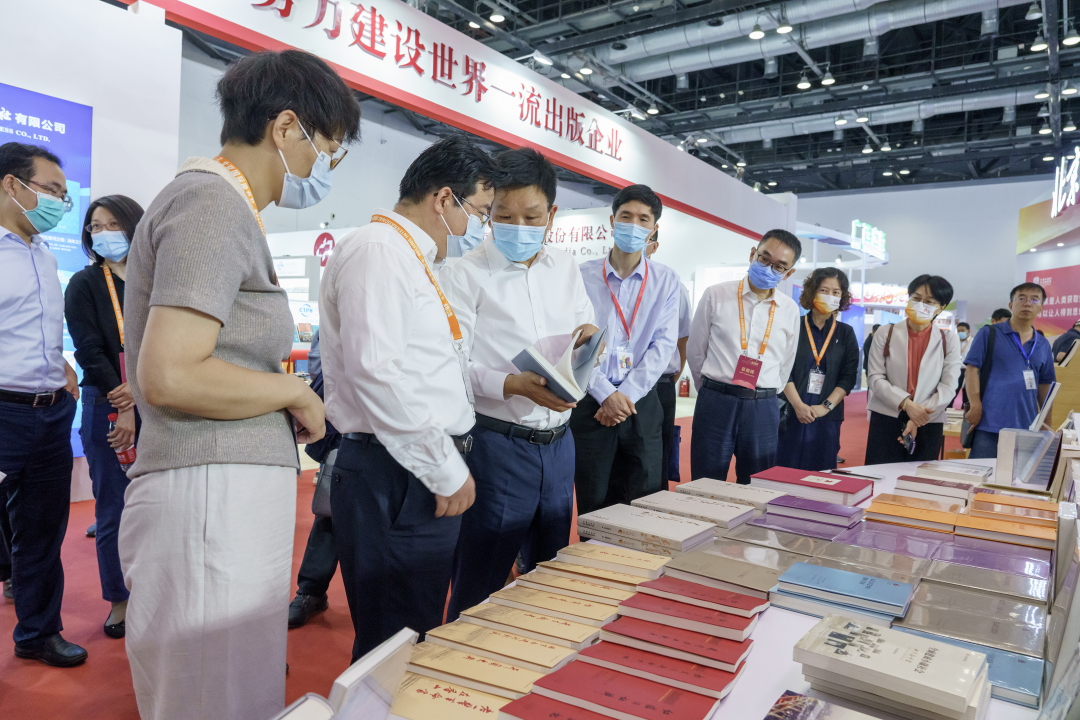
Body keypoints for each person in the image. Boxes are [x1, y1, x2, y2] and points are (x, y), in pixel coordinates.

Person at [120, 50, 357, 720]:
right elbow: (172, 373)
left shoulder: (225, 206)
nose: (323, 167)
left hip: (220, 488)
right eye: (327, 149)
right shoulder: (211, 203)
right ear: (285, 127)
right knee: (211, 694)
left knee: (231, 686)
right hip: (207, 490)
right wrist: (294, 393)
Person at [320, 134, 497, 661]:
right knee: (393, 639)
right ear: (444, 199)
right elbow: (378, 373)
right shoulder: (380, 251)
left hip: (409, 465)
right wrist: (443, 467)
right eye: (479, 212)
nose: (479, 227)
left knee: (413, 627)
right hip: (396, 470)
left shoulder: (413, 257)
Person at [442, 148, 598, 620]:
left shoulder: (565, 267)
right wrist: (512, 385)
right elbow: (453, 365)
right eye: (503, 216)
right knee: (480, 581)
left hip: (560, 445)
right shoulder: (463, 273)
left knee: (549, 575)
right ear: (487, 213)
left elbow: (585, 327)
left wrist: (587, 346)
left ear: (552, 214)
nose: (517, 227)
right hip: (497, 446)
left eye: (531, 217)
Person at [0, 142, 83, 667]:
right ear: (12, 185)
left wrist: (63, 368)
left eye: (63, 195)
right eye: (50, 190)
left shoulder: (45, 255)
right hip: (3, 412)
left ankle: (37, 633)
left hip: (51, 413)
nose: (59, 203)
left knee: (43, 531)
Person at [570, 184, 680, 520]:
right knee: (593, 500)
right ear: (612, 221)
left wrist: (625, 395)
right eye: (626, 216)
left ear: (653, 229)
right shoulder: (581, 275)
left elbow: (664, 345)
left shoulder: (666, 280)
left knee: (646, 497)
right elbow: (575, 343)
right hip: (591, 402)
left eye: (643, 219)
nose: (633, 225)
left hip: (641, 402)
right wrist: (605, 394)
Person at [64, 194, 144, 640]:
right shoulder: (85, 283)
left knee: (159, 505)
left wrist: (142, 391)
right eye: (95, 226)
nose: (104, 233)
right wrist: (125, 404)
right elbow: (89, 351)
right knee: (114, 507)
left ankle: (156, 589)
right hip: (109, 405)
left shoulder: (155, 279)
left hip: (158, 400)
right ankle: (120, 599)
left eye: (114, 224)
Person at [687, 230, 802, 484]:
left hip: (763, 407)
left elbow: (786, 362)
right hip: (716, 401)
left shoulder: (789, 310)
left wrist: (765, 393)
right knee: (705, 483)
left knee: (756, 486)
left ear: (788, 273)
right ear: (753, 254)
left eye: (779, 266)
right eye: (764, 258)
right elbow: (695, 350)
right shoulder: (716, 295)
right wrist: (711, 390)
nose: (769, 268)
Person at [865, 275, 962, 464]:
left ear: (940, 308)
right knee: (879, 471)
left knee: (920, 476)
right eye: (916, 298)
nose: (920, 305)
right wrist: (907, 405)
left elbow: (948, 386)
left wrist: (918, 417)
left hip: (929, 418)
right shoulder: (886, 332)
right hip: (888, 414)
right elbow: (875, 377)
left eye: (929, 302)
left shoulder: (948, 339)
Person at [777, 268, 860, 471]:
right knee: (783, 472)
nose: (830, 296)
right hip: (790, 412)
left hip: (827, 417)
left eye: (836, 292)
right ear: (812, 291)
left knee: (821, 476)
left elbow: (848, 377)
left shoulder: (846, 333)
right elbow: (781, 368)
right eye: (824, 290)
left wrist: (825, 407)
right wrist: (798, 405)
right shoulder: (794, 326)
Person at [964, 283, 1056, 459]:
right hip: (989, 424)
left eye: (1034, 300)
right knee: (982, 473)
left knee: (1020, 476)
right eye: (1021, 298)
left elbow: (1045, 386)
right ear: (1011, 305)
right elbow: (971, 370)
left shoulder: (1043, 344)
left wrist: (1045, 425)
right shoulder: (989, 333)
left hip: (1027, 427)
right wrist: (975, 404)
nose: (1027, 303)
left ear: (1041, 308)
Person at [288, 329, 341, 629]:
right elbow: (322, 359)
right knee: (330, 512)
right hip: (351, 425)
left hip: (411, 428)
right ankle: (311, 591)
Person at [645, 231, 691, 487]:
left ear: (654, 246)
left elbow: (682, 340)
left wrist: (670, 379)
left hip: (659, 385)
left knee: (656, 462)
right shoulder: (596, 279)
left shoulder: (672, 284)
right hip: (610, 387)